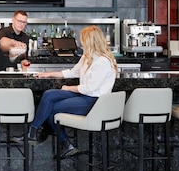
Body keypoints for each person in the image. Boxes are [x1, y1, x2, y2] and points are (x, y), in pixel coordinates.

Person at [13, 25, 118, 159]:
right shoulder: (88, 56)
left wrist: (69, 88)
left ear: (90, 41)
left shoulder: (103, 61)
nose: (80, 43)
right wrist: (48, 74)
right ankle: (35, 134)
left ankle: (57, 141)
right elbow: (72, 72)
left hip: (95, 102)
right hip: (85, 96)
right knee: (49, 94)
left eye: (82, 40)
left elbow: (89, 88)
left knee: (51, 110)